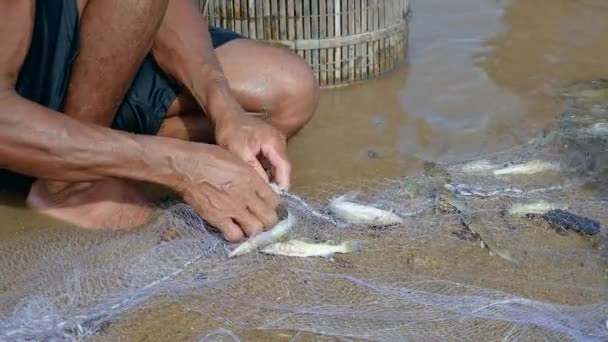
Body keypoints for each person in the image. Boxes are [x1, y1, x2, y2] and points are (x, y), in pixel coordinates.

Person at [0, 0, 319, 242]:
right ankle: (68, 183)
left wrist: (226, 111)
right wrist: (177, 166)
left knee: (289, 96)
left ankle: (83, 148)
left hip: (71, 55)